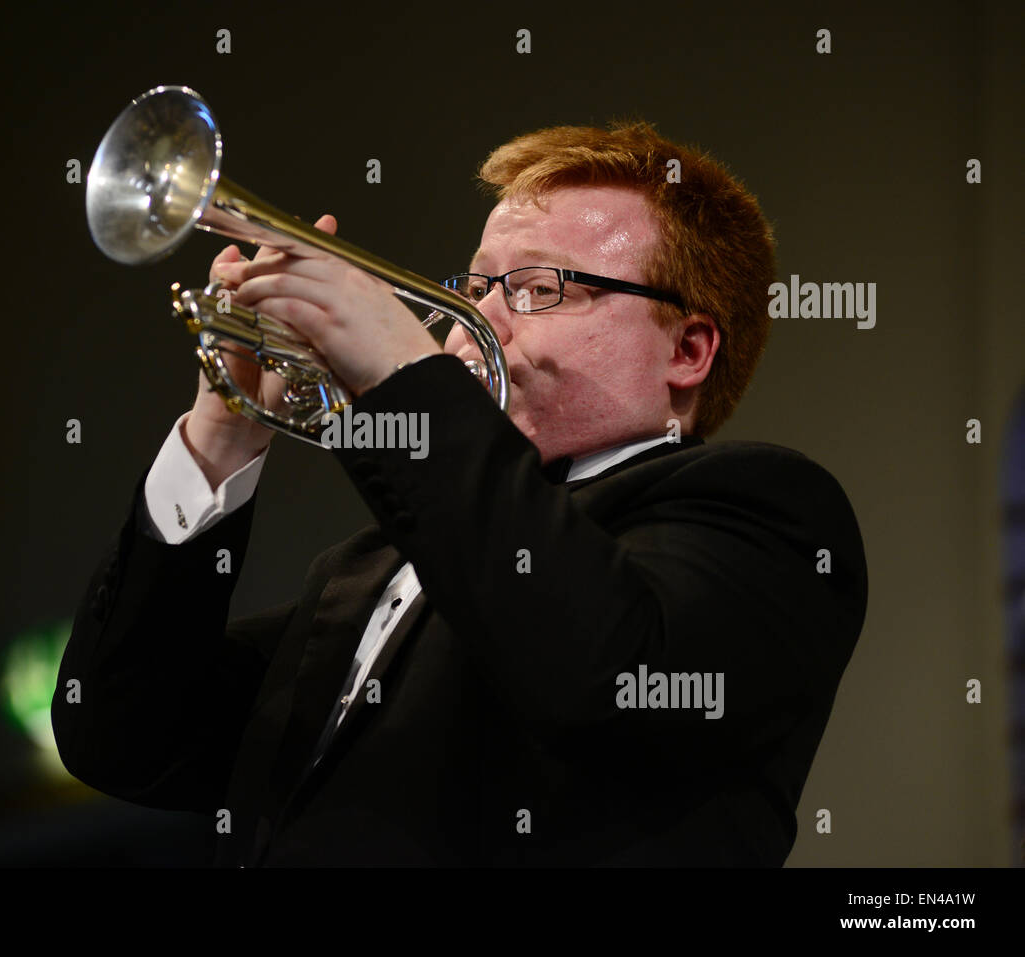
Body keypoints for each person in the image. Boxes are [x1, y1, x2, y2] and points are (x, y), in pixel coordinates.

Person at [51, 120, 868, 866]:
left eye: (539, 286)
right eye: (479, 285)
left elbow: (603, 674)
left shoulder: (769, 515)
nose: (482, 317)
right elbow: (121, 735)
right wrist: (225, 431)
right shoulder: (370, 572)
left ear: (687, 348)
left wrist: (404, 374)